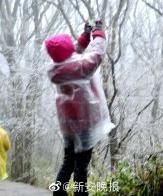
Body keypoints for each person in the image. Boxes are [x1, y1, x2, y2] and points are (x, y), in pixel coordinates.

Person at [45, 19, 114, 196]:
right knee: (81, 164)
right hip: (84, 123)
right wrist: (98, 32)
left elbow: (69, 53)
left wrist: (84, 38)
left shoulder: (55, 69)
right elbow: (97, 55)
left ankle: (58, 191)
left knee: (68, 160)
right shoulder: (81, 67)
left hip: (67, 125)